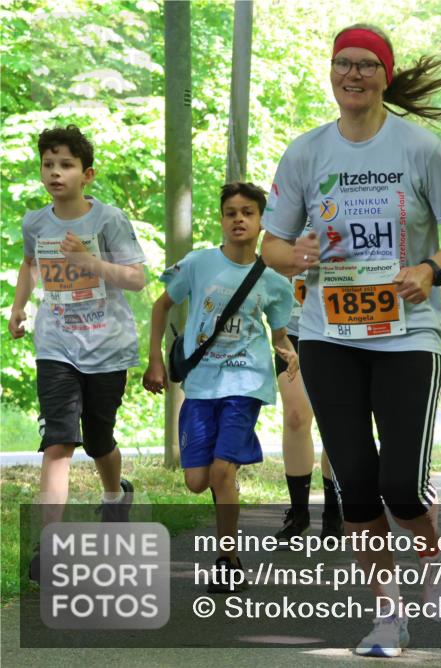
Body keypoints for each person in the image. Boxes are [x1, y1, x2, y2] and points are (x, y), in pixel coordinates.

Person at [259, 24, 441, 658]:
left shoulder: (421, 149)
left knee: (402, 485)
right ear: (331, 74)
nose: (351, 75)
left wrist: (431, 270)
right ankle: (388, 617)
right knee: (355, 480)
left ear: (385, 75)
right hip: (328, 332)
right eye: (341, 65)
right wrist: (291, 255)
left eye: (365, 66)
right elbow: (272, 244)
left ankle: (434, 564)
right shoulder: (305, 154)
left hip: (407, 332)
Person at [143, 182, 297, 592]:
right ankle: (226, 485)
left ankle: (227, 558)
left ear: (262, 221)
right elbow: (162, 306)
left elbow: (279, 333)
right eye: (231, 213)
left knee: (221, 471)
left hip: (245, 383)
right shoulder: (198, 264)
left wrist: (288, 351)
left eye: (248, 212)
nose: (239, 219)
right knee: (197, 481)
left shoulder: (272, 280)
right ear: (221, 219)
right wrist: (155, 358)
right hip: (200, 384)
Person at [10, 125, 145, 582]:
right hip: (56, 345)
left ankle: (114, 496)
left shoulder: (107, 220)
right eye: (48, 164)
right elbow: (30, 265)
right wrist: (19, 307)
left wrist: (90, 263)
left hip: (106, 346)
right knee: (59, 442)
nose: (55, 172)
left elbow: (136, 278)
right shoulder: (35, 223)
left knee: (99, 438)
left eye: (65, 164)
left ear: (87, 174)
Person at [273, 233, 344, 545]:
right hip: (295, 332)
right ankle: (299, 513)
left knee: (336, 419)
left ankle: (334, 508)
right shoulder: (287, 212)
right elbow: (270, 258)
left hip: (341, 326)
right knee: (297, 417)